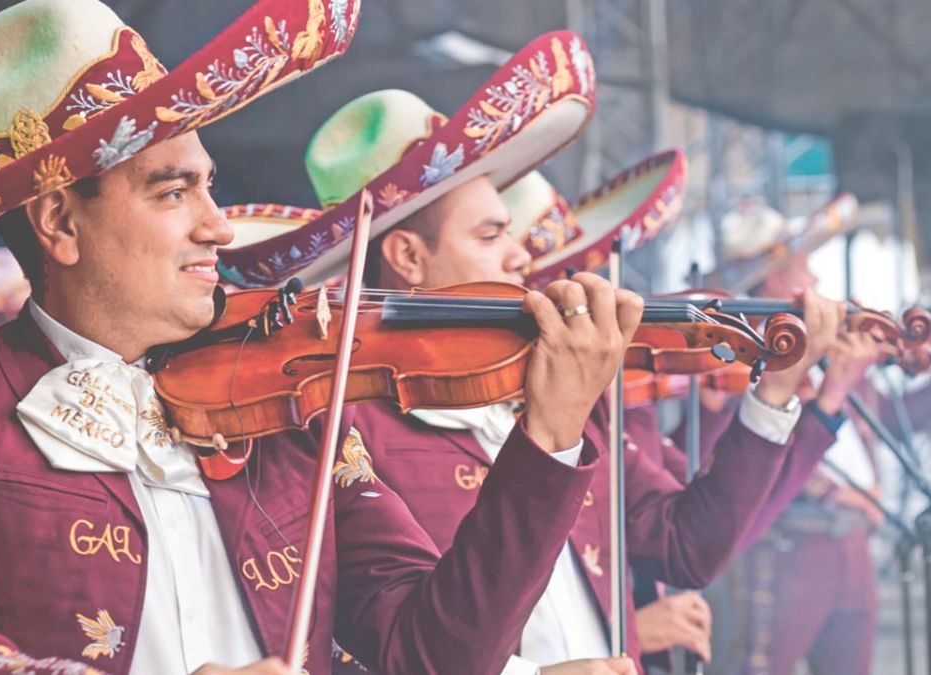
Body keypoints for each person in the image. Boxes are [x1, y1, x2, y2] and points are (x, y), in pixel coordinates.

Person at [0, 1, 643, 673]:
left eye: (210, 186)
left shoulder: (292, 407)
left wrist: (548, 440)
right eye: (173, 192)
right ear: (59, 221)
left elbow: (433, 654)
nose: (217, 226)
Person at [244, 87, 872, 674]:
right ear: (408, 257)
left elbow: (688, 546)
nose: (523, 258)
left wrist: (777, 393)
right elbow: (396, 647)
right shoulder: (342, 417)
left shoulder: (554, 386)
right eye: (492, 235)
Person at [697, 197, 931, 675]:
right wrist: (838, 491)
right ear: (771, 282)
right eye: (802, 268)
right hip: (787, 550)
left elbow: (888, 423)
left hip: (850, 548)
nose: (814, 282)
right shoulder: (737, 362)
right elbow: (741, 464)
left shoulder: (826, 352)